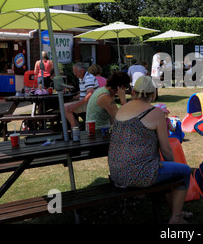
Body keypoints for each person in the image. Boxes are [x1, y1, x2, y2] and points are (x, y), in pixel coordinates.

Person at [108, 76, 191, 224]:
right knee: (183, 172)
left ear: (133, 91)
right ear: (153, 94)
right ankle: (176, 218)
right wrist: (171, 165)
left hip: (116, 174)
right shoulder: (156, 113)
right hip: (139, 173)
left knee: (170, 172)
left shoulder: (122, 109)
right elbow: (166, 150)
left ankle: (176, 212)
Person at [64, 62, 99, 129]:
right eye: (74, 72)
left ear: (82, 71)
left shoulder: (88, 78)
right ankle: (76, 128)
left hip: (92, 104)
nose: (74, 74)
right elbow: (83, 93)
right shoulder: (82, 77)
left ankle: (74, 128)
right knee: (66, 105)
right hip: (88, 102)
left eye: (76, 72)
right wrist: (73, 99)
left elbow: (89, 96)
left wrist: (75, 105)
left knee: (65, 107)